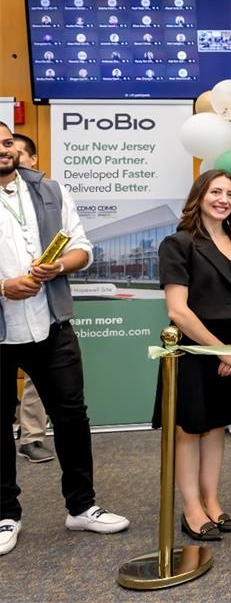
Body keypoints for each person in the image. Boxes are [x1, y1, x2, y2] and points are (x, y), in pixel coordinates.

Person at [0, 122, 129, 557]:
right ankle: (5, 515)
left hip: (51, 324)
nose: (3, 150)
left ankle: (82, 507)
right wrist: (2, 288)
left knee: (72, 417)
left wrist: (59, 266)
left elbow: (82, 247)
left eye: (5, 142)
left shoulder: (49, 190)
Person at [155, 169, 231, 541]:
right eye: (215, 192)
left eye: (230, 194)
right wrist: (221, 351)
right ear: (199, 196)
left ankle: (212, 501)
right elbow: (178, 310)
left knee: (217, 425)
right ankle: (191, 508)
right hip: (195, 347)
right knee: (189, 428)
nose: (223, 199)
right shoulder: (178, 243)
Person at [8, 134, 54, 465]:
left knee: (41, 381)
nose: (14, 159)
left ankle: (32, 436)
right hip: (5, 306)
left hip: (45, 307)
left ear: (33, 159)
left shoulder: (48, 196)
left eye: (20, 153)